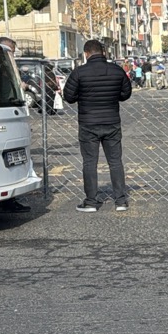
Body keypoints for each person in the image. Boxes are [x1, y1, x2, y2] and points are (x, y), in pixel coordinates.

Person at [62, 39, 132, 212]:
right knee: (115, 162)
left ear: (86, 54)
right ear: (103, 52)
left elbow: (69, 97)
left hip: (88, 123)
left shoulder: (79, 73)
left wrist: (83, 96)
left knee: (89, 162)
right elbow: (126, 93)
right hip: (112, 122)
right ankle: (121, 201)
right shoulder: (117, 71)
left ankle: (91, 202)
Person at [0, 36, 31, 213]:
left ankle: (8, 199)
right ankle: (4, 201)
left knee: (12, 160)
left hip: (11, 117)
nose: (12, 56)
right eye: (11, 53)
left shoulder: (6, 68)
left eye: (13, 53)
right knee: (4, 161)